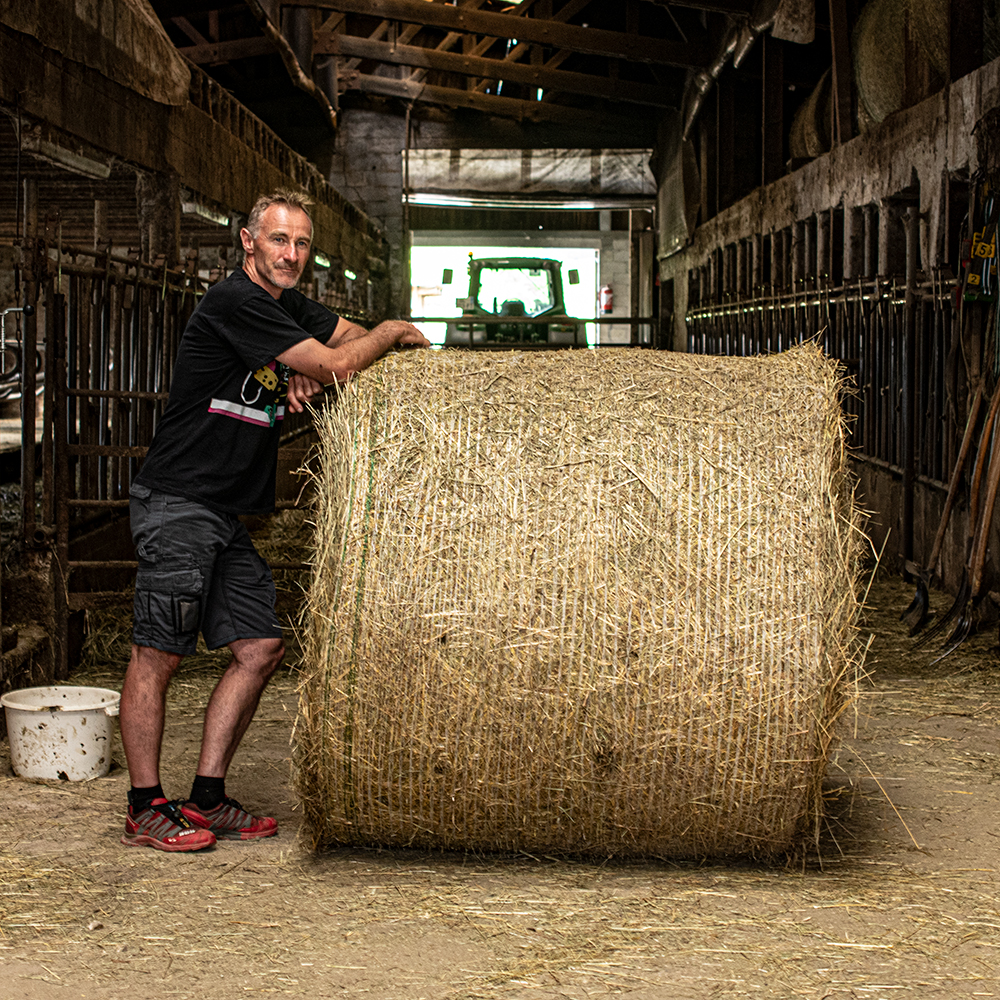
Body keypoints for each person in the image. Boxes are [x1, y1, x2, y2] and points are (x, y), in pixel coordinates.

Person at [118, 189, 430, 851]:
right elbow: (346, 359)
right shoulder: (237, 300)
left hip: (224, 510)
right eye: (279, 240)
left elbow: (341, 343)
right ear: (248, 242)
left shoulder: (287, 306)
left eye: (301, 244)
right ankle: (145, 806)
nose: (290, 255)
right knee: (158, 654)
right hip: (179, 500)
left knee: (259, 650)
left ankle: (206, 797)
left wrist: (319, 358)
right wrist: (393, 332)